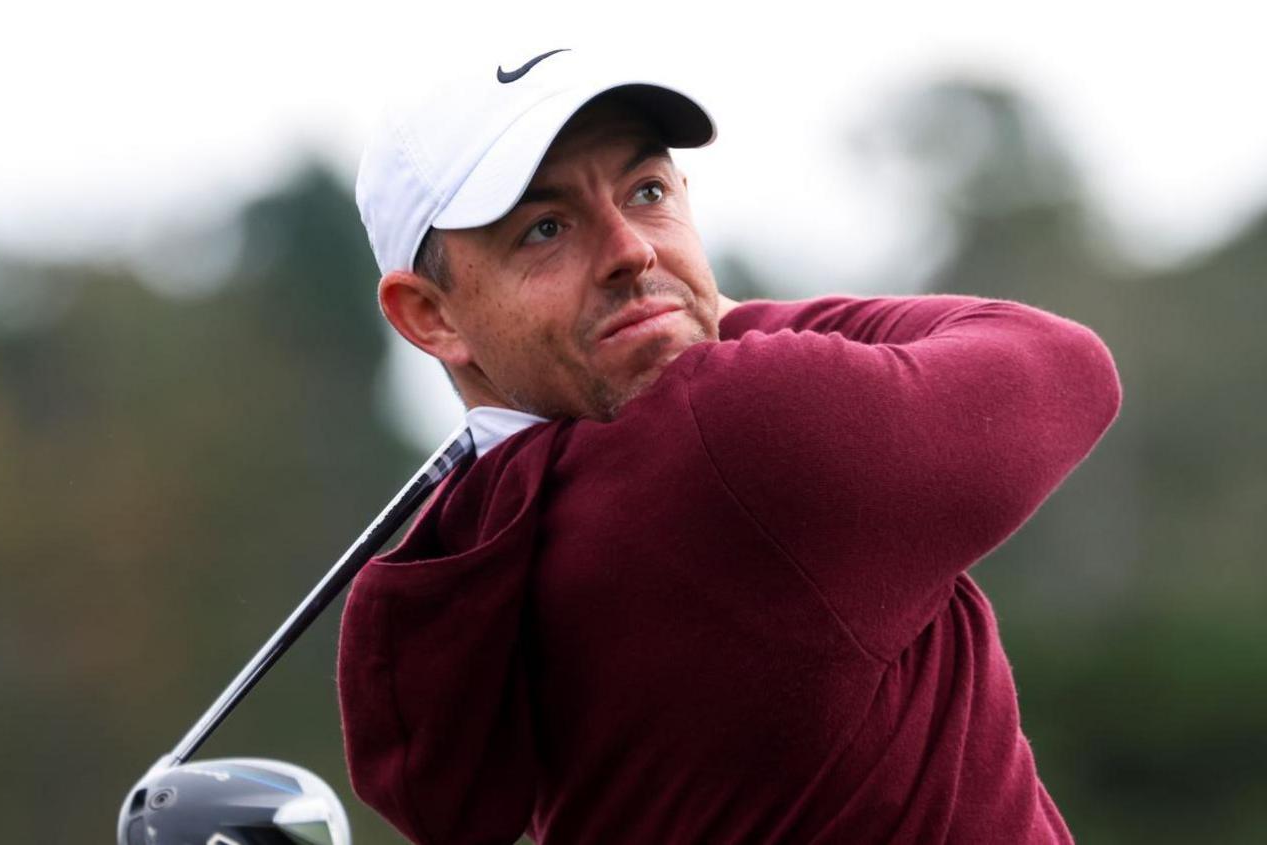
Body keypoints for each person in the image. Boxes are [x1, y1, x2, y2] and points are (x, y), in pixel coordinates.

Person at [338, 48, 1121, 844]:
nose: (631, 250)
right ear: (430, 316)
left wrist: (669, 324)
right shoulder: (736, 438)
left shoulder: (491, 542)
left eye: (647, 192)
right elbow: (1064, 364)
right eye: (545, 229)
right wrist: (704, 314)